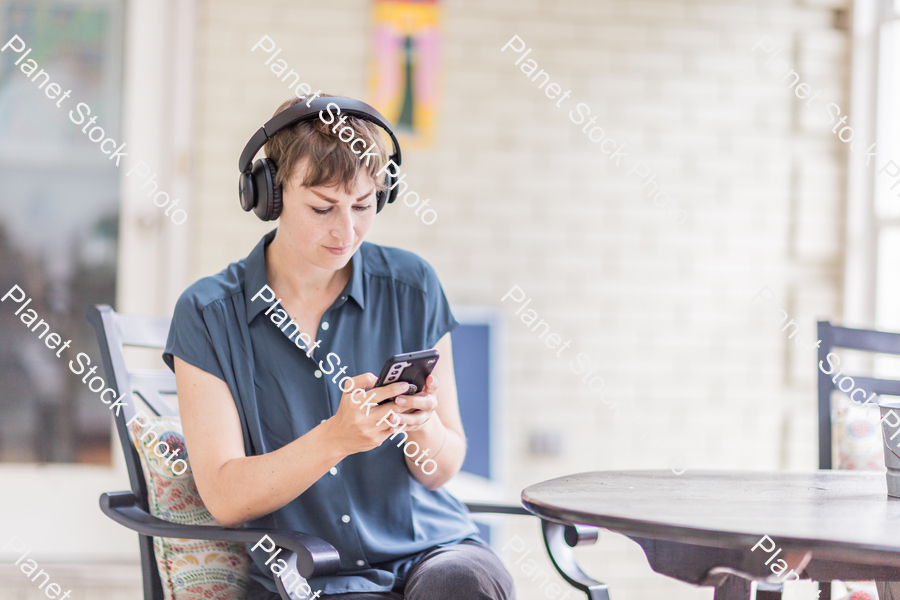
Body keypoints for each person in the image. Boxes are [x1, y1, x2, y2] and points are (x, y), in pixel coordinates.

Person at [162, 95, 515, 600]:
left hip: (436, 551)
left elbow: (442, 468)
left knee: (463, 586)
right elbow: (225, 496)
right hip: (311, 571)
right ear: (271, 195)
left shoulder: (412, 286)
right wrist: (337, 437)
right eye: (323, 207)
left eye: (364, 205)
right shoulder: (208, 313)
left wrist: (422, 425)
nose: (346, 230)